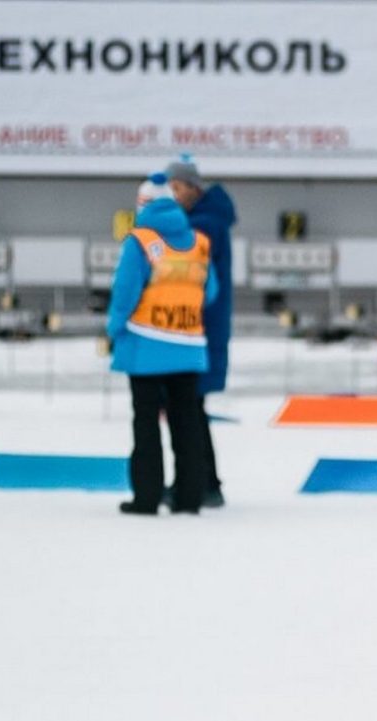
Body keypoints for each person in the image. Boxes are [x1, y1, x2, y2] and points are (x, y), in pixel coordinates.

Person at [106, 173, 219, 515]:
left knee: (146, 424)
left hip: (146, 347)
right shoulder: (198, 242)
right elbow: (209, 292)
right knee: (187, 425)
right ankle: (189, 497)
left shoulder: (140, 241)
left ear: (142, 204)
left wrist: (113, 329)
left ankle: (147, 497)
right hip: (188, 347)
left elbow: (125, 293)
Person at [165, 153, 238, 508]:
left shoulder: (202, 226)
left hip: (198, 331)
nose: (173, 194)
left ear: (193, 187)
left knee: (189, 409)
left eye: (177, 187)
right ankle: (203, 481)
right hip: (202, 330)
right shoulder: (207, 220)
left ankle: (200, 484)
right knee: (192, 409)